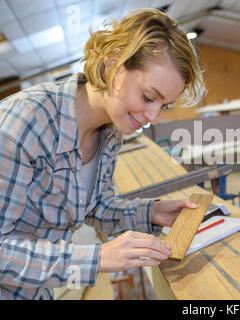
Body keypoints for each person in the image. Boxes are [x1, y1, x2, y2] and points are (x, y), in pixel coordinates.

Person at [0, 8, 205, 300]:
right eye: (148, 97)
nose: (154, 116)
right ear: (113, 65)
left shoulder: (110, 133)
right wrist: (96, 258)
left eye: (164, 105)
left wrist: (152, 212)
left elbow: (97, 208)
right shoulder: (27, 119)